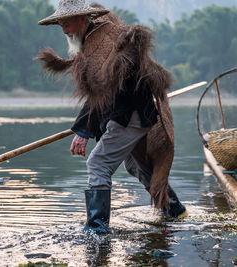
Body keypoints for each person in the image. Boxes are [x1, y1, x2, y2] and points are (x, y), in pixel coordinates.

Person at [36, 0, 187, 233]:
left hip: (130, 115)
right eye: (61, 25)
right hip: (132, 114)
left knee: (98, 164)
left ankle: (97, 230)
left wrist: (83, 132)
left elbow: (101, 92)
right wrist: (83, 128)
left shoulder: (101, 42)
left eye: (67, 24)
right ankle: (174, 211)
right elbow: (100, 92)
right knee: (138, 167)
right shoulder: (95, 39)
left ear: (83, 19)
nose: (65, 30)